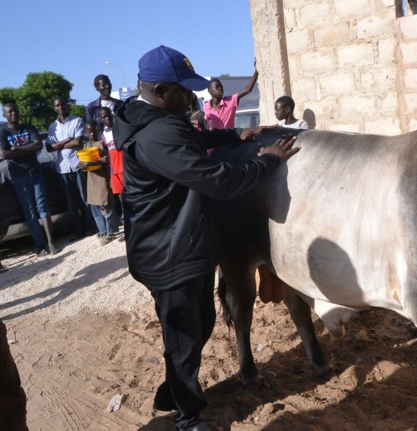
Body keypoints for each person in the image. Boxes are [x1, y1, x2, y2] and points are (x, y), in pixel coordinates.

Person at [113, 45, 299, 431]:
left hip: (183, 245)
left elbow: (192, 141)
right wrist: (267, 161)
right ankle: (186, 417)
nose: (192, 97)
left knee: (200, 323)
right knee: (183, 334)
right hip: (168, 253)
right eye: (184, 91)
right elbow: (220, 181)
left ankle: (173, 389)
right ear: (161, 91)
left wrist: (234, 135)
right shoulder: (157, 135)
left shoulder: (157, 120)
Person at [0, 103, 60, 256]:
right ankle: (40, 246)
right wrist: (28, 147)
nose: (13, 113)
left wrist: (16, 149)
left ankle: (51, 243)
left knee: (43, 207)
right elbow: (5, 155)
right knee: (30, 212)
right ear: (4, 115)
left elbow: (39, 145)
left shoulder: (29, 128)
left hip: (36, 172)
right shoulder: (3, 132)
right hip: (18, 176)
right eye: (10, 112)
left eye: (15, 110)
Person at [46, 97, 94, 241]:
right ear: (54, 108)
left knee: (84, 198)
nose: (61, 107)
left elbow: (77, 142)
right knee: (70, 202)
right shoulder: (52, 127)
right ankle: (78, 232)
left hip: (77, 164)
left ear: (67, 105)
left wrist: (59, 144)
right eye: (57, 105)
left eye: (63, 104)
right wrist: (67, 140)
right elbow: (49, 148)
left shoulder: (77, 121)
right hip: (63, 168)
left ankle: (91, 228)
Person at [78, 120, 121, 245]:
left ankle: (111, 231)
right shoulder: (86, 145)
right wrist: (81, 165)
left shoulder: (102, 143)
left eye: (94, 131)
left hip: (102, 179)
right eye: (89, 132)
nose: (92, 134)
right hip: (91, 179)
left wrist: (91, 163)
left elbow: (106, 159)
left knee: (106, 205)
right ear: (85, 132)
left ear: (98, 129)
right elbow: (82, 159)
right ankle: (102, 230)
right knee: (94, 206)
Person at [203, 61, 258, 130]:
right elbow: (207, 124)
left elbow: (247, 89)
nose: (220, 88)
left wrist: (256, 71)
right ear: (210, 91)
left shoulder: (230, 101)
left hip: (229, 138)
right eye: (217, 87)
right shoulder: (206, 106)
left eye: (221, 87)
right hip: (215, 139)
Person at [98, 107, 125, 224]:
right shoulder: (103, 135)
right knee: (121, 198)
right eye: (104, 117)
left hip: (125, 168)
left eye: (109, 115)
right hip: (114, 171)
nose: (107, 118)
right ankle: (127, 225)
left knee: (131, 194)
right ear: (100, 119)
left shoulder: (120, 128)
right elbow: (106, 153)